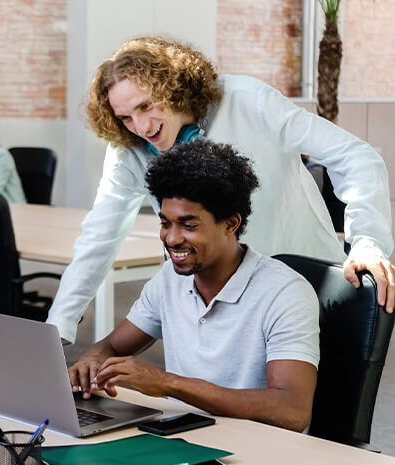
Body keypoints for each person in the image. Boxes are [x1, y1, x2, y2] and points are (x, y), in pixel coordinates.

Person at [48, 36, 394, 343]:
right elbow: (99, 235)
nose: (140, 126)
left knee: (301, 405)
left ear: (174, 88)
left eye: (146, 106)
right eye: (125, 117)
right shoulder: (129, 149)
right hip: (211, 297)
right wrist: (59, 324)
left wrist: (367, 242)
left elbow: (355, 155)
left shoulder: (247, 101)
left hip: (304, 283)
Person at [69, 139, 319, 432]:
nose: (172, 239)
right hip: (184, 438)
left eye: (188, 225)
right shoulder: (169, 280)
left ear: (230, 224)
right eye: (165, 223)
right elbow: (110, 346)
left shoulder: (285, 292)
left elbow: (292, 410)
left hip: (258, 448)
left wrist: (166, 383)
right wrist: (89, 364)